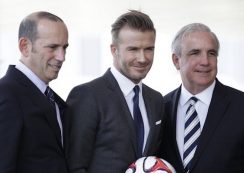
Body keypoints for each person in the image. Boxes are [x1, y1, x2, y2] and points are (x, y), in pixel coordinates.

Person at [65, 10, 165, 173]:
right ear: (114, 50)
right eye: (133, 49)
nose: (142, 58)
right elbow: (74, 166)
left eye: (149, 49)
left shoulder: (156, 100)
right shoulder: (87, 96)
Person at [158, 23, 244, 173]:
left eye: (211, 53)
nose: (205, 61)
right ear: (176, 60)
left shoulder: (243, 107)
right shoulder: (160, 108)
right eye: (195, 53)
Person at [0, 11, 69, 173]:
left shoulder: (55, 101)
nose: (62, 57)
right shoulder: (6, 95)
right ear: (25, 46)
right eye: (52, 47)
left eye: (64, 47)